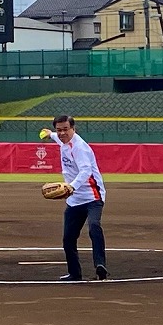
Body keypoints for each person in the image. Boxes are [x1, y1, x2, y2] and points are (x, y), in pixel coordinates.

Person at [41, 114, 109, 282]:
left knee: (94, 226)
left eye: (66, 129)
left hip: (92, 196)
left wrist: (72, 186)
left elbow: (86, 171)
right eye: (59, 130)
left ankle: (100, 265)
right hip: (74, 200)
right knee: (68, 238)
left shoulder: (80, 147)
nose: (62, 133)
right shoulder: (62, 139)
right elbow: (56, 137)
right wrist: (49, 134)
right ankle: (74, 273)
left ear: (73, 129)